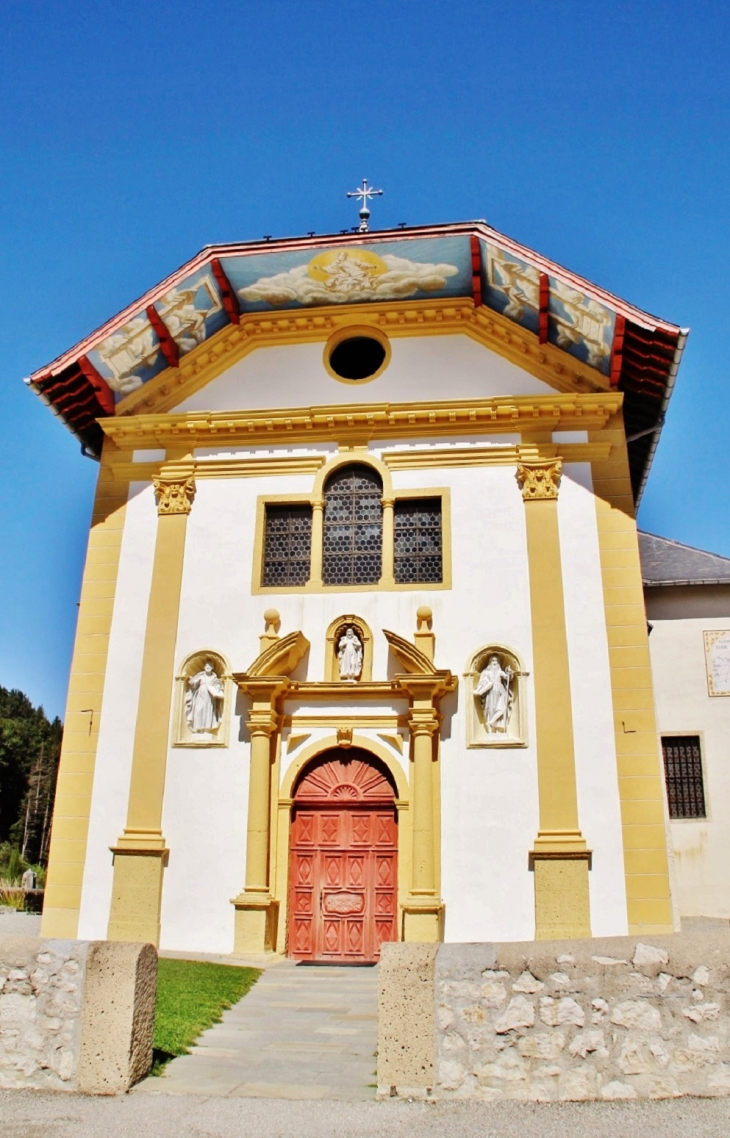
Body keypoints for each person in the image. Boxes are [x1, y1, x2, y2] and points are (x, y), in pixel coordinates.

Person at [475, 655, 513, 733]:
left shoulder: (500, 672)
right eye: (492, 661)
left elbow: (507, 677)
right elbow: (482, 682)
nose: (494, 663)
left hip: (501, 691)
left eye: (496, 661)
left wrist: (509, 673)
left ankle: (492, 722)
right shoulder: (486, 672)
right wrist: (481, 688)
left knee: (502, 708)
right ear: (489, 663)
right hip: (491, 691)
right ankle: (491, 728)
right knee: (490, 709)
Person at [185, 661, 225, 732]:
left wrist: (216, 688)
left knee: (208, 712)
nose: (208, 667)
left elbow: (218, 686)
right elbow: (193, 683)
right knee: (198, 710)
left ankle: (207, 730)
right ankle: (198, 729)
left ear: (212, 668)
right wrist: (193, 681)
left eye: (210, 666)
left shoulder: (214, 678)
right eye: (206, 665)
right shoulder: (201, 676)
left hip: (210, 698)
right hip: (200, 696)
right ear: (204, 667)